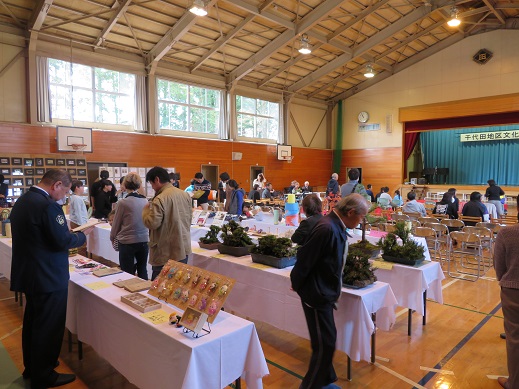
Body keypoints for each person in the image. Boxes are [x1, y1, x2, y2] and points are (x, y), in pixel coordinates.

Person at [10, 169, 94, 388]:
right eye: (64, 191)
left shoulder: (24, 200)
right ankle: (44, 374)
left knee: (33, 323)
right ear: (56, 185)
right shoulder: (48, 206)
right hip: (48, 275)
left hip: (31, 272)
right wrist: (82, 236)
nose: (64, 197)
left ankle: (34, 366)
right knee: (49, 325)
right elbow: (61, 240)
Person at [291, 194, 369, 389]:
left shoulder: (335, 226)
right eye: (361, 217)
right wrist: (301, 285)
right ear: (351, 212)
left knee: (325, 341)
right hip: (317, 295)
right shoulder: (327, 228)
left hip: (323, 292)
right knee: (326, 343)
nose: (361, 221)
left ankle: (325, 379)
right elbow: (304, 258)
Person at [142, 166, 192, 280]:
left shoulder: (159, 198)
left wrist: (145, 211)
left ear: (157, 180)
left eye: (151, 184)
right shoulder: (184, 194)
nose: (153, 187)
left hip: (165, 251)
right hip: (183, 247)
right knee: (178, 285)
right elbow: (189, 219)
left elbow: (152, 223)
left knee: (159, 288)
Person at [494, 217, 519, 389]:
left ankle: (515, 383)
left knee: (515, 339)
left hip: (513, 291)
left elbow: (499, 266)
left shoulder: (506, 233)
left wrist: (505, 280)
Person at [110, 173, 149, 280]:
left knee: (126, 271)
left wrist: (112, 237)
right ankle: (144, 293)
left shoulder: (123, 202)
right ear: (138, 185)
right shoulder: (145, 200)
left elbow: (116, 223)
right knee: (142, 269)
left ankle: (128, 295)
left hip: (127, 241)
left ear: (125, 185)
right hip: (144, 240)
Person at [68, 180, 89, 257]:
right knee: (81, 243)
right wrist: (82, 225)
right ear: (77, 187)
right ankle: (82, 258)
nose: (83, 188)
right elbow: (78, 213)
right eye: (82, 186)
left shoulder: (75, 197)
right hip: (78, 223)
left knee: (80, 243)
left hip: (77, 222)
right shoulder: (76, 198)